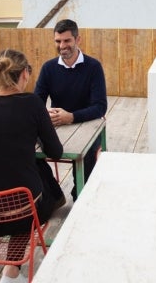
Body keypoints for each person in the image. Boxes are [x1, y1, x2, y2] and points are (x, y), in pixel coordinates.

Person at [0, 48, 65, 283]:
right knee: (48, 196)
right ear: (24, 74)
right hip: (20, 212)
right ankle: (11, 272)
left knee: (27, 180)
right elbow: (55, 151)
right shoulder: (31, 103)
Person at [34, 19, 107, 201]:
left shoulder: (93, 67)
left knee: (88, 153)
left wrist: (72, 117)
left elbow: (100, 106)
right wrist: (45, 116)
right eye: (58, 41)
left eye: (67, 41)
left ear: (77, 39)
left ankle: (81, 197)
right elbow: (36, 103)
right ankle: (53, 195)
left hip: (87, 124)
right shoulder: (48, 68)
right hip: (56, 125)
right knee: (28, 151)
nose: (62, 46)